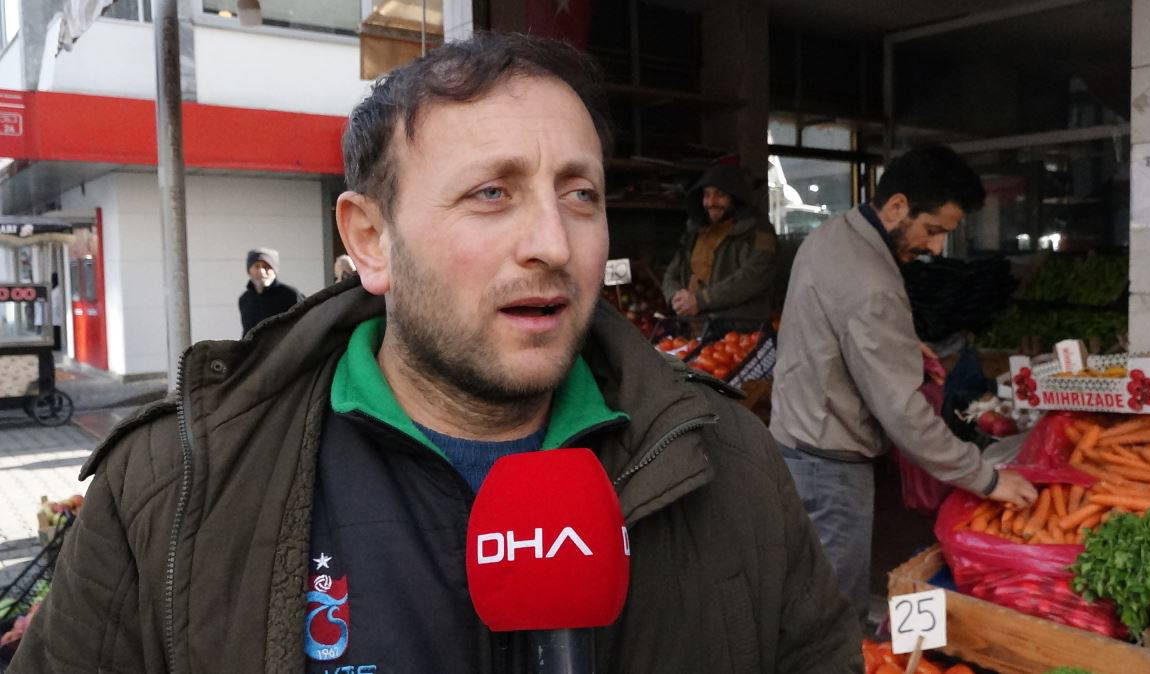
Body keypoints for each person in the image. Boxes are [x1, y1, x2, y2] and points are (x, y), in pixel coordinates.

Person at [10, 33, 860, 673]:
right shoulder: (176, 486)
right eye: (491, 193)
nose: (552, 243)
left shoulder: (729, 462)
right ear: (370, 239)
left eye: (580, 194)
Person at [770, 145, 1038, 627]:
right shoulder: (872, 282)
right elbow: (903, 412)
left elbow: (833, 322)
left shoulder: (832, 234)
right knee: (835, 618)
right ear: (897, 206)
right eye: (932, 230)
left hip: (794, 440)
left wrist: (899, 344)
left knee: (804, 599)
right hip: (830, 467)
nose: (936, 248)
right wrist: (987, 478)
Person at [661, 165, 778, 320]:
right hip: (693, 325)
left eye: (720, 195)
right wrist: (676, 298)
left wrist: (701, 300)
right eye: (706, 195)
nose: (711, 202)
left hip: (739, 328)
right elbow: (671, 274)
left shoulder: (758, 233)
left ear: (735, 198)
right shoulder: (695, 232)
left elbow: (753, 277)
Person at [238, 247, 304, 336]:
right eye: (257, 266)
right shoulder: (245, 299)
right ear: (249, 271)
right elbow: (247, 332)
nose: (261, 271)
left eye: (266, 267)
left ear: (274, 271)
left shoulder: (290, 295)